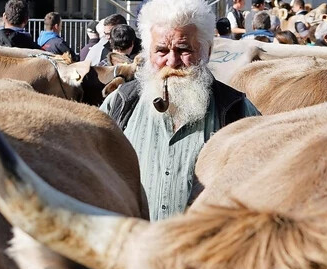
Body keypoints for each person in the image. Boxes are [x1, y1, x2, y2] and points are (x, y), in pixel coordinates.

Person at [100, 0, 260, 221]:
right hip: (134, 248)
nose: (172, 62)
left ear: (208, 50)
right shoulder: (120, 104)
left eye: (184, 49)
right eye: (161, 50)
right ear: (147, 52)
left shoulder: (236, 110)